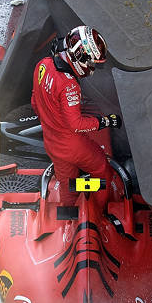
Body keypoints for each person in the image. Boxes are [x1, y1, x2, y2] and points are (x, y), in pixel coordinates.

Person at [30, 25, 119, 207]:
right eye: (92, 62)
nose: (92, 66)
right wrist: (105, 121)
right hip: (72, 145)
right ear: (81, 58)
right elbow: (76, 124)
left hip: (51, 142)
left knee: (67, 183)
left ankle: (69, 215)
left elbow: (34, 101)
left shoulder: (43, 64)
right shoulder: (69, 85)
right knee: (103, 172)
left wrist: (51, 120)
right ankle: (99, 210)